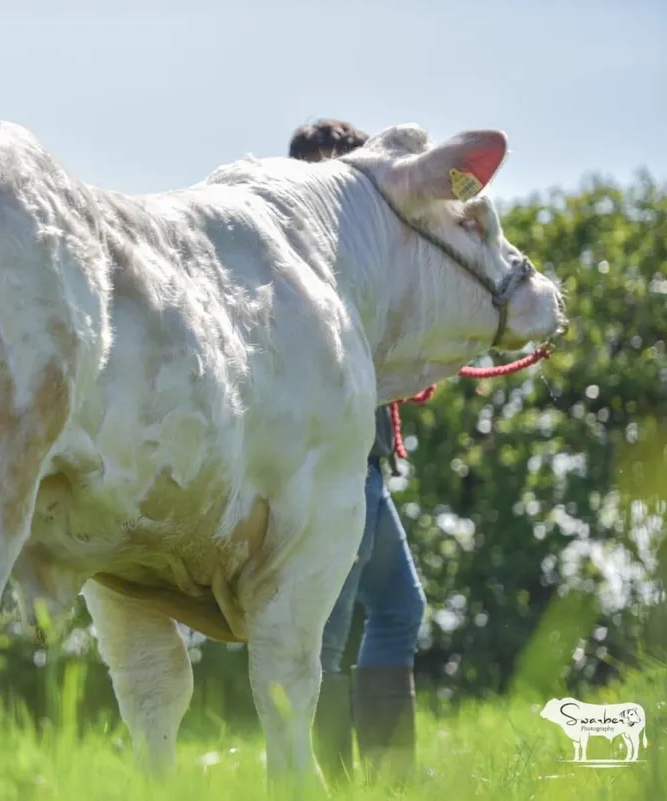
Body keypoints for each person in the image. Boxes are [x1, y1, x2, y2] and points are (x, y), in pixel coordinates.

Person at [287, 119, 428, 786]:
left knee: (399, 609)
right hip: (336, 476)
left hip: (367, 468)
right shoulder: (310, 266)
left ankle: (389, 779)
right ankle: (339, 785)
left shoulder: (360, 263)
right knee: (326, 636)